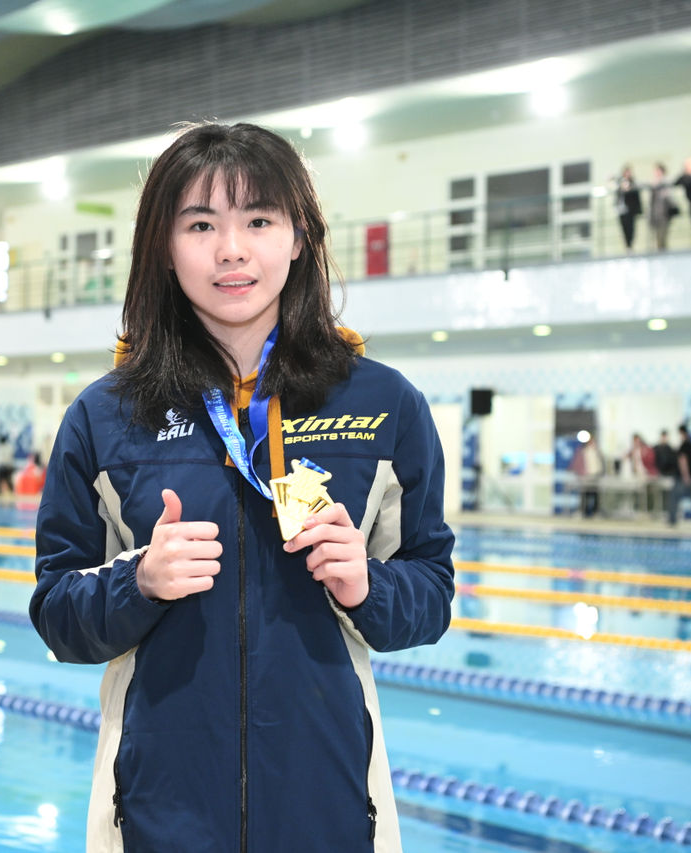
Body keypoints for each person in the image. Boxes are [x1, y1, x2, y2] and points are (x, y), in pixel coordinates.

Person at [29, 122, 455, 852]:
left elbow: (432, 591)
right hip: (157, 816)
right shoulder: (107, 416)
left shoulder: (383, 405)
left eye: (259, 220)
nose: (232, 249)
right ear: (164, 247)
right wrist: (140, 581)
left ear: (299, 238)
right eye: (201, 225)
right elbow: (56, 612)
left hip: (330, 808)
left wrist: (368, 586)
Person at [570, 434, 604, 517]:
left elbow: (600, 463)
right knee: (584, 493)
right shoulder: (583, 451)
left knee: (595, 494)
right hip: (585, 476)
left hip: (595, 475)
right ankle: (583, 511)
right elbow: (576, 463)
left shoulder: (597, 451)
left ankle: (595, 512)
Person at [614, 165, 642, 253]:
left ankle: (630, 246)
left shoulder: (633, 183)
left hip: (630, 210)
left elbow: (636, 196)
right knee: (624, 228)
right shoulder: (619, 183)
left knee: (631, 228)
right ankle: (627, 246)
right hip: (621, 210)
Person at [648, 163, 676, 251]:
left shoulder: (666, 182)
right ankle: (661, 251)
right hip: (655, 214)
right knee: (657, 237)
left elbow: (669, 197)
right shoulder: (653, 183)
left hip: (664, 214)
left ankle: (663, 252)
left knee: (662, 236)